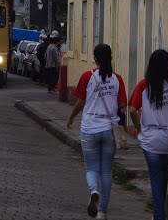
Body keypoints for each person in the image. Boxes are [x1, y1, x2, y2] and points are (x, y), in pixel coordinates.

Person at [65, 43, 127, 220]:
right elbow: (123, 105)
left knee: (91, 167)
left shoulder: (88, 76)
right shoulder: (117, 79)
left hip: (90, 128)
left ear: (95, 59)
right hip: (109, 130)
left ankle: (94, 191)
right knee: (106, 171)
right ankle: (103, 212)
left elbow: (80, 102)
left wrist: (71, 117)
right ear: (111, 58)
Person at [128, 49, 168, 220]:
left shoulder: (144, 85)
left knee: (156, 178)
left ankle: (159, 216)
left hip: (150, 140)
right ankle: (158, 214)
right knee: (163, 176)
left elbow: (132, 110)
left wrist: (139, 128)